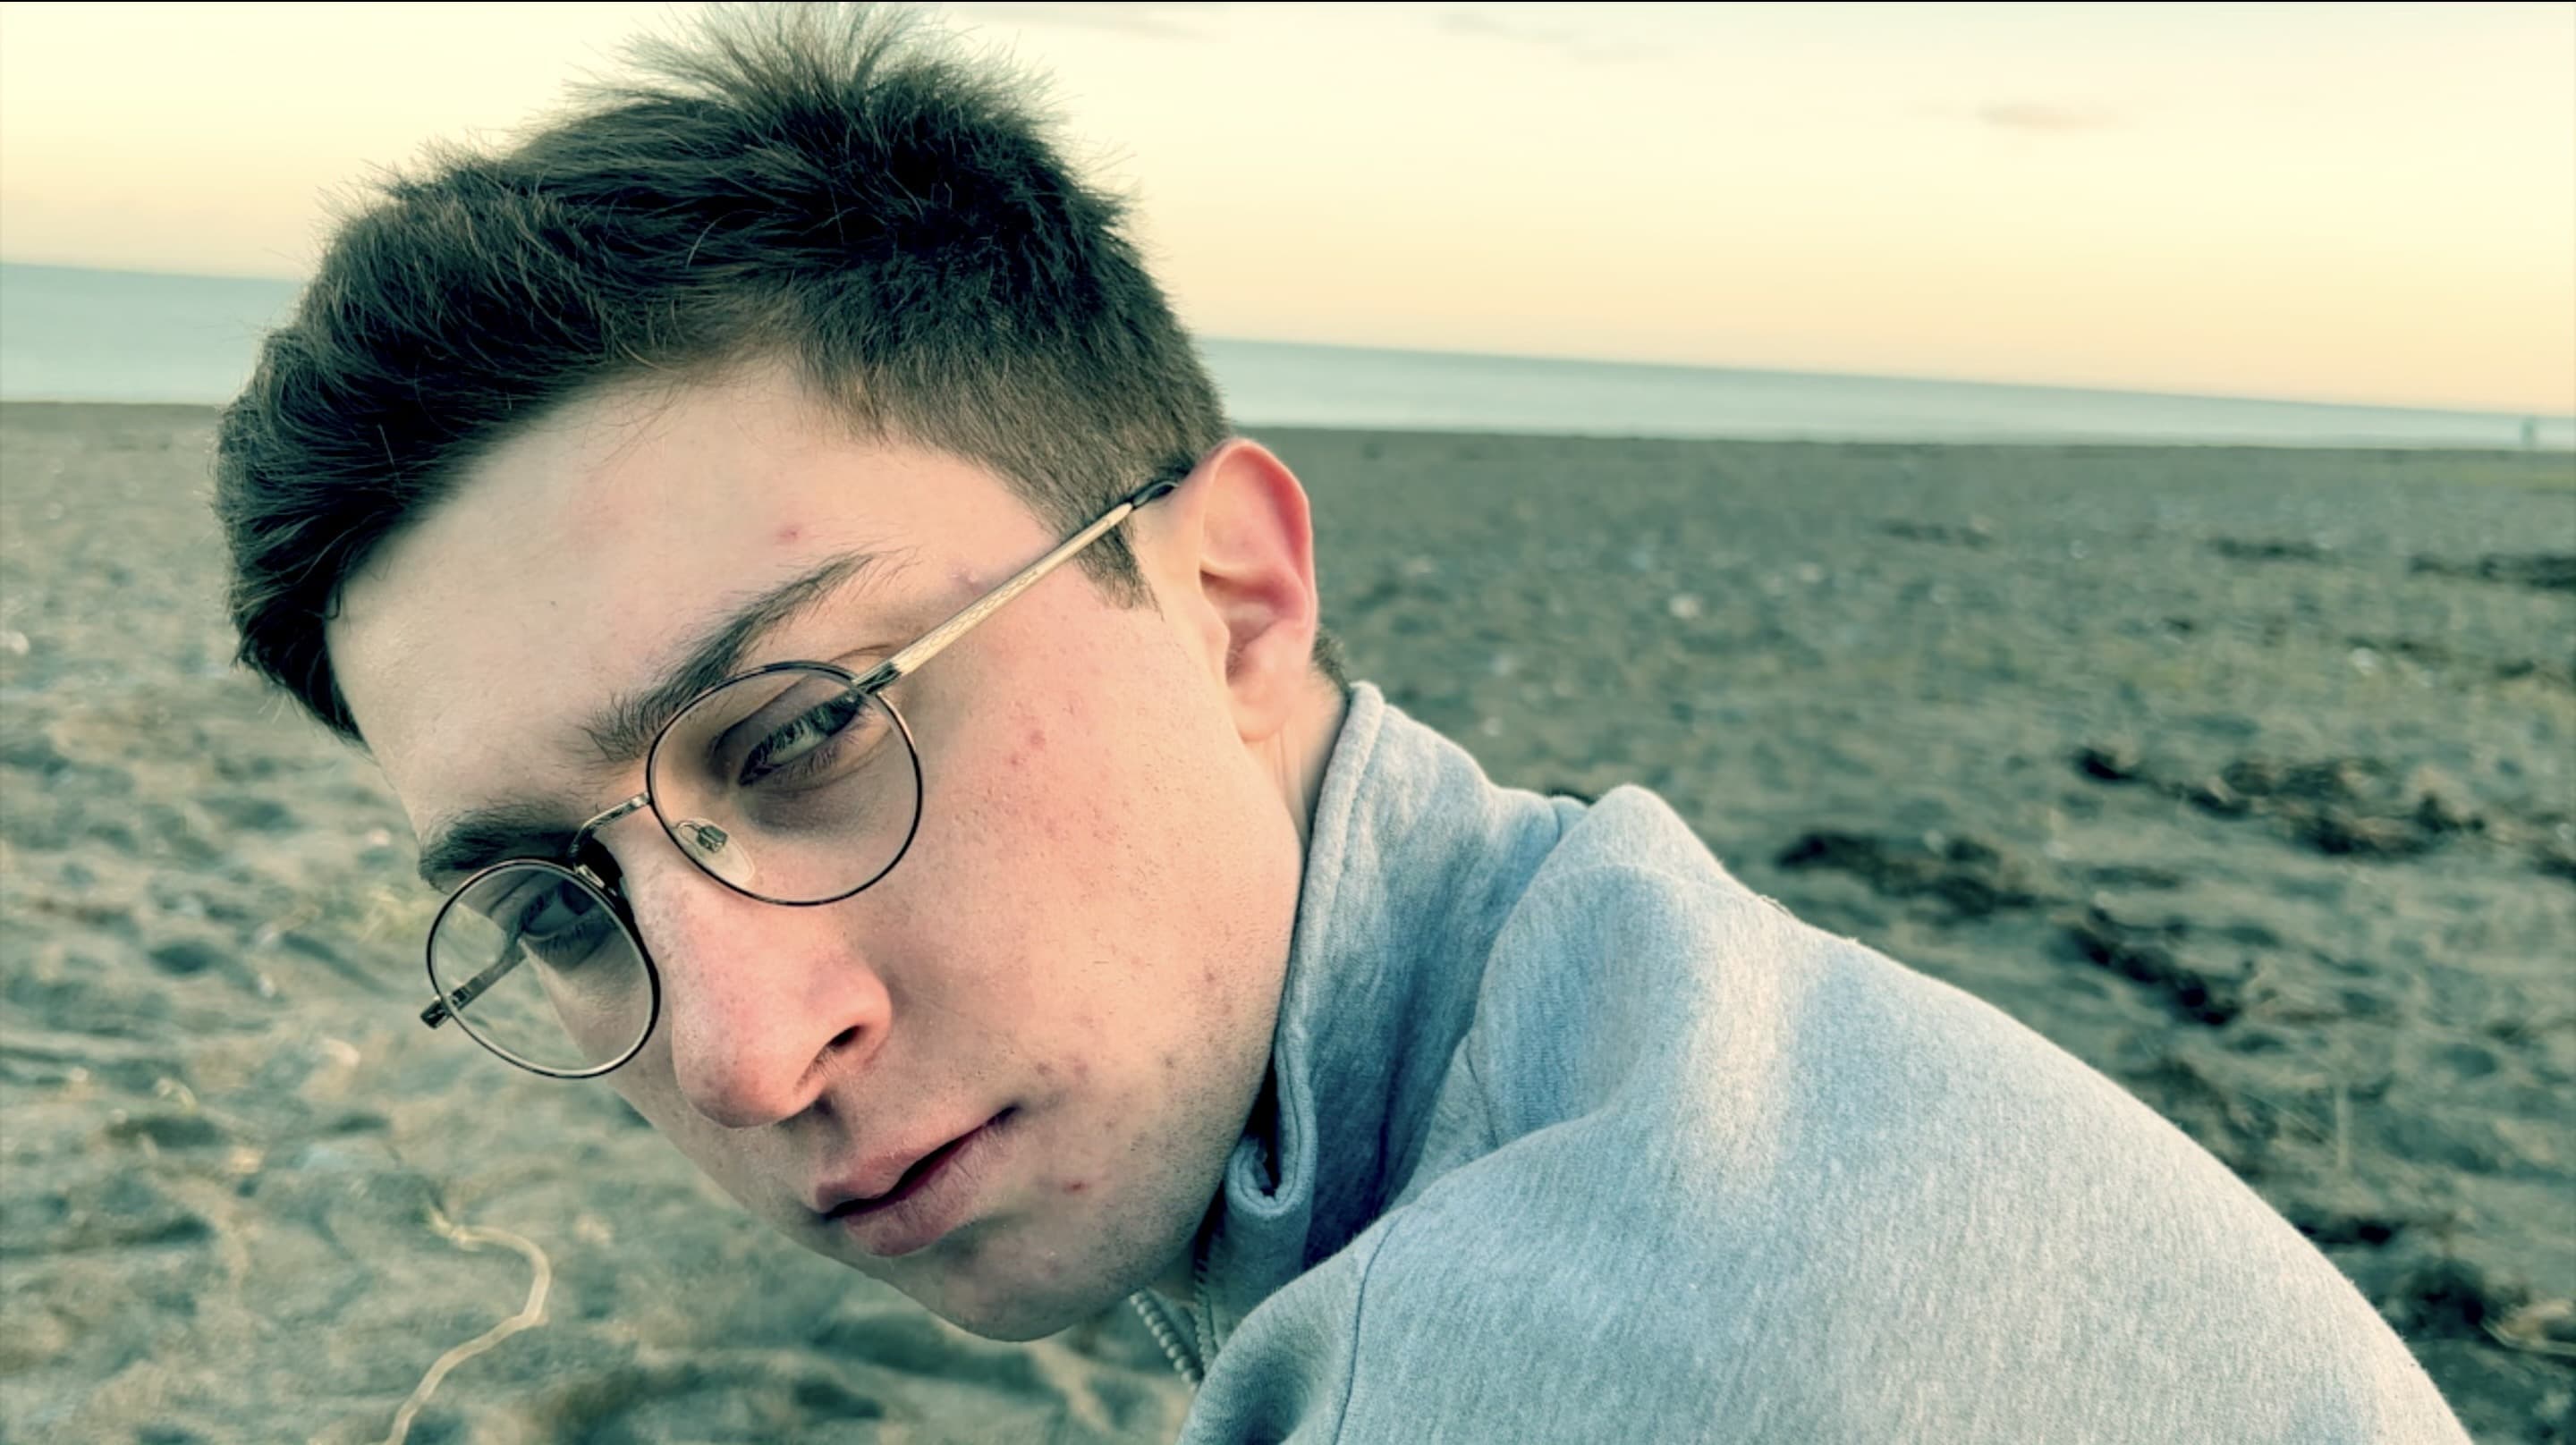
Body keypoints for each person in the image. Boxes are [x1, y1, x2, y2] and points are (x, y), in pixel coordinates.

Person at [212, 8, 2467, 1441]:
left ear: (1228, 596)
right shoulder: (1622, 1001)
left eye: (801, 734)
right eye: (556, 902)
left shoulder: (1568, 1349)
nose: (732, 1053)